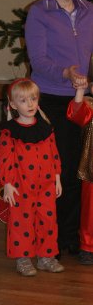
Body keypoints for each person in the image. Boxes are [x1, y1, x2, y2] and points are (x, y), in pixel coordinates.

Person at [25, 0, 93, 258]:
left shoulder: (89, 10)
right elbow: (38, 60)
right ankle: (58, 238)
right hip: (53, 98)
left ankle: (80, 237)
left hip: (85, 99)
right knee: (63, 170)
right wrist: (66, 73)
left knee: (84, 170)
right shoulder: (39, 13)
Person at [0, 78, 64, 276]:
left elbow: (54, 154)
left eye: (33, 99)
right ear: (13, 105)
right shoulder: (9, 131)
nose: (30, 104)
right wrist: (7, 183)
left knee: (48, 219)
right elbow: (5, 159)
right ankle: (23, 258)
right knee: (22, 221)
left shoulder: (46, 128)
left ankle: (46, 256)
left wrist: (57, 178)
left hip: (46, 184)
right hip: (21, 186)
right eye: (24, 100)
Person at [66, 79, 93, 265]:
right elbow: (75, 113)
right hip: (91, 169)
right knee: (89, 211)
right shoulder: (90, 106)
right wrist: (80, 91)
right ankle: (88, 247)